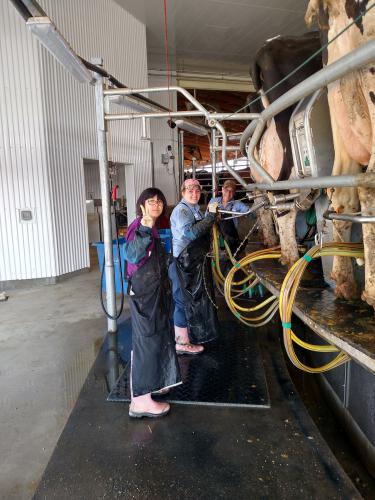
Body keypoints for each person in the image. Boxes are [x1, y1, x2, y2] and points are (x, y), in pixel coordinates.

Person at [124, 188, 181, 418]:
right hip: (145, 295)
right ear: (141, 205)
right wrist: (146, 227)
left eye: (159, 201)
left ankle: (154, 385)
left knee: (156, 338)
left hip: (154, 293)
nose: (156, 205)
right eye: (151, 201)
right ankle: (140, 401)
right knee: (146, 343)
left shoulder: (152, 227)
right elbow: (132, 255)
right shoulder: (140, 226)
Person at [169, 179, 219, 354]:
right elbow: (191, 233)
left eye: (197, 190)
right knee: (183, 302)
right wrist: (211, 216)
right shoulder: (182, 210)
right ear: (183, 192)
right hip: (183, 263)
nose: (194, 193)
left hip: (192, 261)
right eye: (189, 190)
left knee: (191, 301)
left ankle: (188, 335)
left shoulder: (194, 209)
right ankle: (182, 343)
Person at [207, 179, 250, 253]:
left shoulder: (237, 204)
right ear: (222, 190)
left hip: (230, 238)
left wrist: (251, 213)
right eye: (226, 190)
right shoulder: (214, 201)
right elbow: (206, 217)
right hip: (214, 235)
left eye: (231, 191)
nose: (228, 193)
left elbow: (248, 210)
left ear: (234, 193)